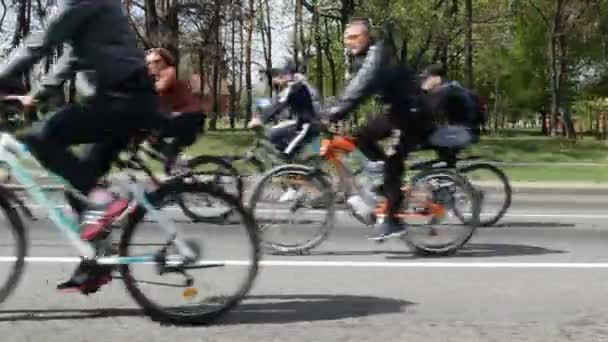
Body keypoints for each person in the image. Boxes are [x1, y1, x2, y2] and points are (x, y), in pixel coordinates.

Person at [0, 0, 167, 293]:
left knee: (42, 136)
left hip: (124, 100)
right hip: (124, 100)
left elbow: (43, 38)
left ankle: (102, 203)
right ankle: (97, 263)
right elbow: (72, 57)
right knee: (77, 180)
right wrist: (36, 95)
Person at [322, 18, 434, 240]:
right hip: (396, 110)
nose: (349, 42)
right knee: (362, 138)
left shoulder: (376, 54)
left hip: (412, 113)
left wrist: (336, 113)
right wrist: (327, 110)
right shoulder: (361, 59)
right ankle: (385, 184)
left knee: (393, 162)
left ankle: (393, 219)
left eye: (354, 37)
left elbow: (361, 87)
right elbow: (351, 90)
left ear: (366, 36)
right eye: (346, 38)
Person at [144, 48, 205, 173]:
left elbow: (161, 87)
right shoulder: (155, 79)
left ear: (166, 61)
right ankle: (180, 164)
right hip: (183, 118)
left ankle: (177, 162)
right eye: (149, 63)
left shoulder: (169, 71)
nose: (153, 65)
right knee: (150, 135)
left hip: (191, 117)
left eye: (157, 61)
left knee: (152, 131)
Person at [248, 63, 319, 159]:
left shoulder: (296, 86)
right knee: (274, 135)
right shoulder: (291, 85)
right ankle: (291, 161)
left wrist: (261, 119)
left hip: (306, 124)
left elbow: (279, 104)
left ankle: (292, 164)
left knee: (286, 154)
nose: (276, 80)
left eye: (279, 77)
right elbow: (276, 104)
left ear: (288, 75)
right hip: (299, 121)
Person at [418, 64, 484, 166]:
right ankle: (442, 173)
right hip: (466, 131)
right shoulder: (452, 88)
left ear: (437, 78)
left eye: (427, 78)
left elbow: (428, 108)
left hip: (462, 133)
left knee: (418, 140)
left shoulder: (447, 90)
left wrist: (424, 90)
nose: (424, 81)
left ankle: (441, 173)